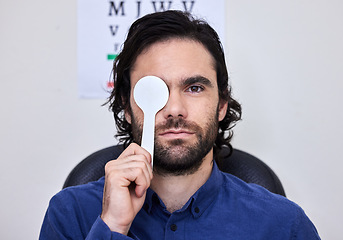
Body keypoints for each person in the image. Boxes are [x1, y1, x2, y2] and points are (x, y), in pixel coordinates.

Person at [39, 10, 320, 239]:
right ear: (126, 106)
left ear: (222, 104)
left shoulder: (283, 225)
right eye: (154, 90)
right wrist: (112, 227)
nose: (174, 109)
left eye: (195, 88)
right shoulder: (69, 215)